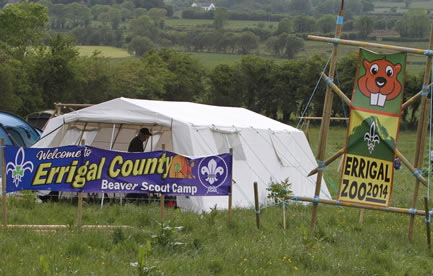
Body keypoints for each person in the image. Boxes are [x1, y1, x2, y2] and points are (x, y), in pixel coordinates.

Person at [127, 128, 152, 203]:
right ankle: (131, 199)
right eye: (146, 136)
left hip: (136, 169)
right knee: (137, 185)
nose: (147, 138)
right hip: (134, 169)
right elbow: (136, 156)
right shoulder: (136, 142)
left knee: (138, 186)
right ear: (142, 135)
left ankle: (132, 199)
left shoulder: (138, 142)